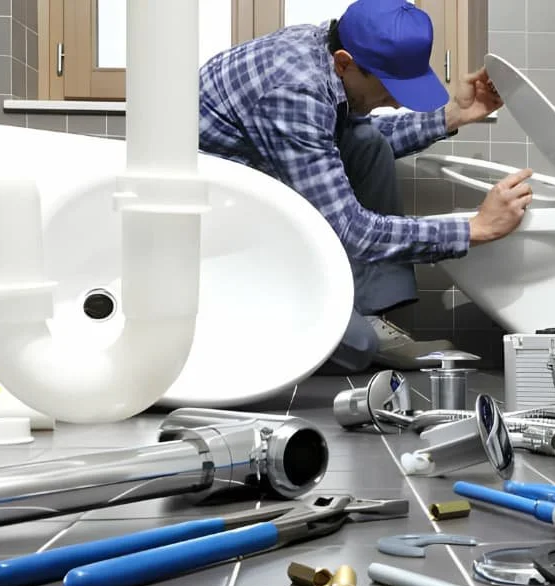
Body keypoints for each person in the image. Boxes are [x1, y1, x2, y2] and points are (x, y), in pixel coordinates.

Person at [198, 0, 533, 372]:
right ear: (344, 62)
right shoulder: (294, 90)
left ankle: (370, 312)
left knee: (367, 141)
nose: (393, 103)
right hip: (215, 232)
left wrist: (456, 114)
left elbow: (356, 139)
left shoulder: (321, 49)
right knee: (357, 348)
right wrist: (475, 228)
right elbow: (353, 231)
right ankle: (227, 332)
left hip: (259, 198)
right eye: (389, 88)